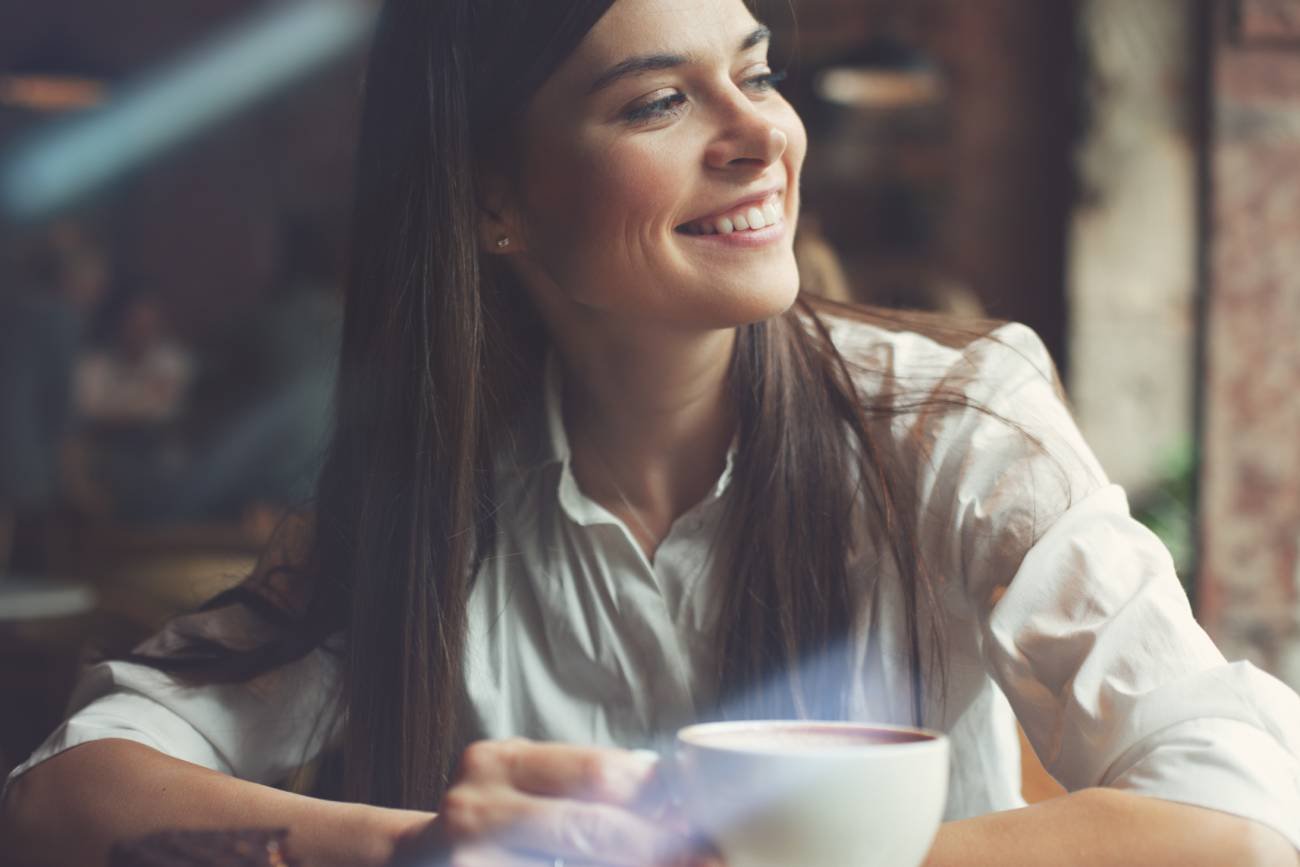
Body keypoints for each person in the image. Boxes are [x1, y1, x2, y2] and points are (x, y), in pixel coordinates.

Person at [3, 1, 1299, 866]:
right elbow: (65, 794)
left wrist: (724, 847)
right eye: (656, 104)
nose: (761, 137)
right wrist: (415, 845)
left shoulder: (951, 424)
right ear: (494, 201)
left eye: (755, 72)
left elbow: (1241, 806)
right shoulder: (439, 491)